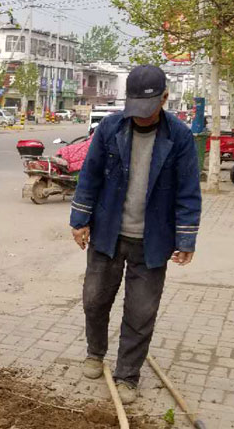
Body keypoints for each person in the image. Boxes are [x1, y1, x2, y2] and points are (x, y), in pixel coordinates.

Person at [70, 65, 201, 404]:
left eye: (148, 109)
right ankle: (95, 352)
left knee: (141, 312)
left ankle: (127, 374)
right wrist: (80, 219)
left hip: (153, 242)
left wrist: (186, 239)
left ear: (165, 99)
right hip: (108, 234)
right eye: (135, 109)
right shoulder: (110, 128)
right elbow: (90, 175)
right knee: (94, 299)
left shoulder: (180, 138)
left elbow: (188, 191)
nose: (141, 117)